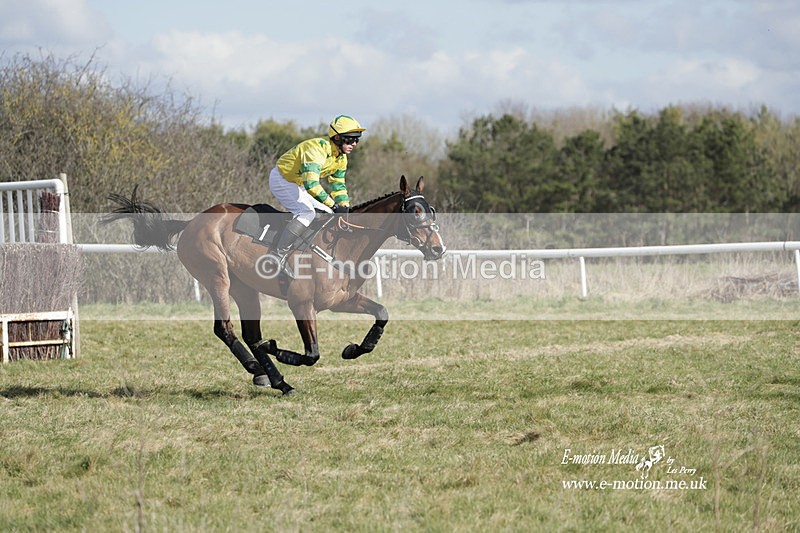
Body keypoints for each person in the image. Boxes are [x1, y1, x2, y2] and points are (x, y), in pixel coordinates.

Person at [265, 114, 365, 266]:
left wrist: (343, 207)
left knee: (330, 214)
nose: (355, 143)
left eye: (357, 139)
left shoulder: (341, 157)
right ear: (337, 138)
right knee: (307, 213)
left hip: (298, 184)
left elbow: (337, 184)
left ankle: (307, 248)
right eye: (350, 139)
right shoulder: (316, 149)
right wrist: (334, 205)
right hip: (282, 180)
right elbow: (312, 184)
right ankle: (277, 256)